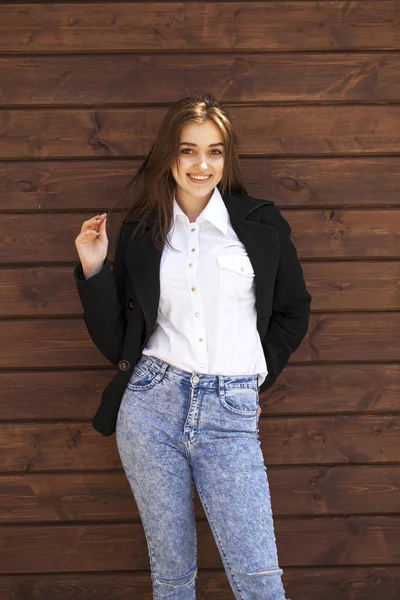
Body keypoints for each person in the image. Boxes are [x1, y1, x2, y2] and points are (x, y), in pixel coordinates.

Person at [74, 93, 311, 599]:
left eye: (216, 151)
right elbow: (118, 339)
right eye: (188, 150)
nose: (202, 164)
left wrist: (252, 375)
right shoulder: (143, 232)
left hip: (232, 413)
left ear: (228, 158)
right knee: (173, 577)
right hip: (151, 408)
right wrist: (95, 269)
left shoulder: (261, 226)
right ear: (169, 156)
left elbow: (293, 310)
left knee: (259, 579)